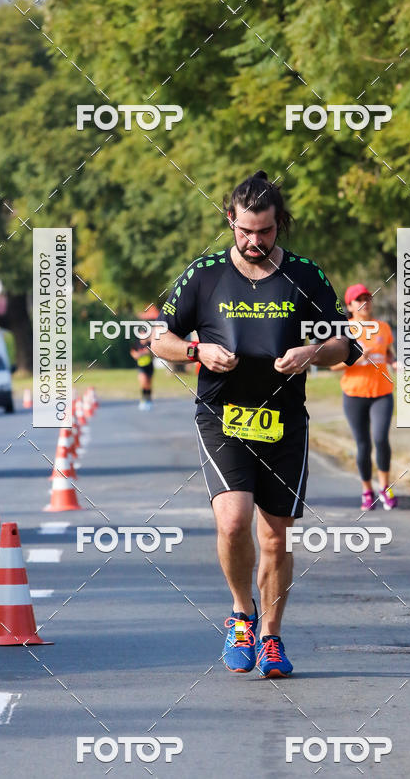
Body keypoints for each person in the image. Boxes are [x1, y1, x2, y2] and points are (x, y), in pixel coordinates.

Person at [151, 171, 362, 677]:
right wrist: (197, 350)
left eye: (264, 232)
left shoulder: (306, 276)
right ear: (230, 221)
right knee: (231, 520)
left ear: (278, 225)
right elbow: (160, 340)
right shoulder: (203, 275)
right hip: (222, 415)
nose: (253, 241)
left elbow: (348, 346)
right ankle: (239, 616)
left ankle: (271, 638)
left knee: (275, 539)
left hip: (285, 422)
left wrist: (312, 352)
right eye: (244, 231)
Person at [330, 284, 397, 511]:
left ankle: (385, 488)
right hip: (354, 394)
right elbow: (333, 366)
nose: (365, 302)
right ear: (350, 306)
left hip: (382, 393)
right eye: (359, 300)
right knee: (363, 444)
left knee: (380, 438)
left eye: (368, 298)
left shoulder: (383, 327)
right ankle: (367, 491)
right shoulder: (344, 331)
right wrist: (357, 360)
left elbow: (387, 353)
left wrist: (394, 362)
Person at [130, 308, 158, 411]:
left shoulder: (149, 344)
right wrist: (141, 354)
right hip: (141, 366)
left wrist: (149, 352)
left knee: (149, 384)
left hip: (149, 366)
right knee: (143, 382)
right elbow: (134, 354)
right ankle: (143, 400)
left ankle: (149, 400)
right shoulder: (136, 343)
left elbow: (154, 355)